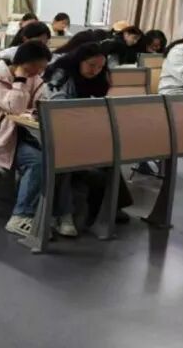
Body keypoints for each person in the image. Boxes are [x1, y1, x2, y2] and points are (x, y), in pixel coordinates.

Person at [0, 42, 67, 237]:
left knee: (59, 157)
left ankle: (52, 214)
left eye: (42, 68)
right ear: (22, 62)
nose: (38, 72)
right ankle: (21, 216)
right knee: (37, 162)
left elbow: (41, 101)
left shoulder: (34, 78)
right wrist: (20, 79)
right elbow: (15, 107)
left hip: (20, 134)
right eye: (35, 66)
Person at [42, 42, 135, 227]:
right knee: (94, 158)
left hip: (82, 129)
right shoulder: (61, 74)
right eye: (91, 65)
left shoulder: (100, 78)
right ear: (79, 60)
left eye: (100, 67)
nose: (95, 71)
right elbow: (57, 105)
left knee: (109, 156)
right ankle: (90, 210)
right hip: (59, 129)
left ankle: (111, 206)